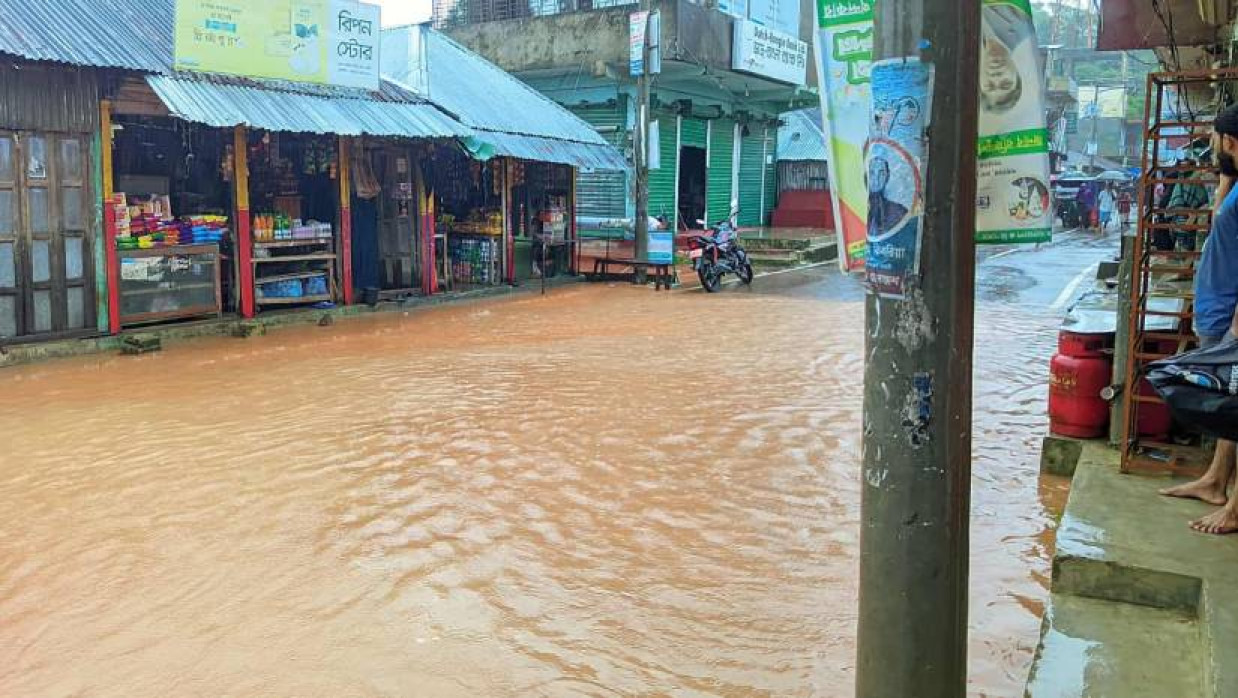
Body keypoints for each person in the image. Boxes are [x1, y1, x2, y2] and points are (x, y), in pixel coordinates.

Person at [1159, 105, 1238, 535]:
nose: (1209, 150)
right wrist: (1227, 175)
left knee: (1236, 405)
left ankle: (1235, 508)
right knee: (1231, 407)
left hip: (1231, 319)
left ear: (1229, 141)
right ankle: (1214, 480)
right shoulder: (1235, 187)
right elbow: (1220, 221)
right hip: (1220, 312)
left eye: (1213, 141)